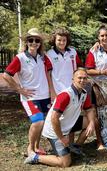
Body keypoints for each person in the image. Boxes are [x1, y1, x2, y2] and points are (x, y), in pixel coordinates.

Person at [24, 68, 96, 167]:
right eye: (79, 78)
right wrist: (61, 138)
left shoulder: (83, 93)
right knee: (65, 163)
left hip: (68, 124)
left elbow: (89, 110)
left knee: (93, 121)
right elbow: (54, 119)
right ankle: (35, 157)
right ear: (73, 79)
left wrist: (91, 123)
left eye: (85, 78)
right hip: (54, 131)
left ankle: (75, 147)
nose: (82, 80)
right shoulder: (65, 95)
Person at [2, 28, 51, 156]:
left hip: (44, 95)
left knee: (41, 124)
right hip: (29, 97)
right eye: (31, 40)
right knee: (38, 121)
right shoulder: (20, 58)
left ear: (40, 43)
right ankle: (30, 149)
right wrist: (19, 89)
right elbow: (6, 75)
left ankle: (36, 147)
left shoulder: (43, 57)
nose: (34, 43)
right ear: (26, 42)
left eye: (37, 40)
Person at [46, 28, 83, 101]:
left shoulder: (73, 52)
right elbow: (48, 74)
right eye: (59, 40)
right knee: (59, 112)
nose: (62, 42)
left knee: (74, 111)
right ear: (54, 40)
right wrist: (52, 91)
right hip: (58, 91)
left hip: (73, 89)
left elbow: (79, 68)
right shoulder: (49, 54)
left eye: (64, 40)